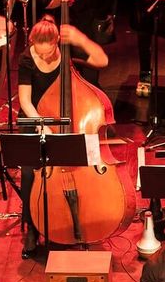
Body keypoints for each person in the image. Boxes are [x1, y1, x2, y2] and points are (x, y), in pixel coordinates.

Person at [17, 16, 110, 258]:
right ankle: (31, 228)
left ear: (57, 43)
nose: (44, 56)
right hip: (35, 119)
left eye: (49, 53)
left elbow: (102, 60)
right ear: (32, 43)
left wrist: (80, 38)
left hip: (68, 121)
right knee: (29, 172)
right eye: (40, 51)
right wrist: (41, 123)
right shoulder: (27, 59)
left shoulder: (66, 56)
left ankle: (81, 219)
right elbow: (25, 101)